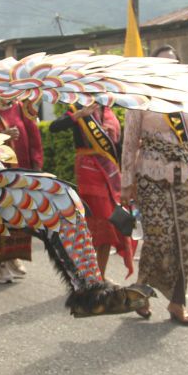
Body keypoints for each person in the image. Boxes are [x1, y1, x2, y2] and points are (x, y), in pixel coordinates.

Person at [121, 44, 188, 326]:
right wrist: (127, 182)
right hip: (151, 176)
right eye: (162, 63)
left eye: (173, 63)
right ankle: (141, 293)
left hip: (186, 177)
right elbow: (129, 142)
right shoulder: (141, 97)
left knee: (184, 241)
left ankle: (177, 303)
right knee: (158, 238)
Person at [49, 101, 136, 280]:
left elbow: (115, 147)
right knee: (99, 225)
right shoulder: (77, 108)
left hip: (111, 175)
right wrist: (78, 115)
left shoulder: (110, 113)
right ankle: (90, 274)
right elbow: (54, 127)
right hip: (89, 173)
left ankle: (99, 275)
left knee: (111, 224)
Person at [0, 96, 43, 283]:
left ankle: (14, 257)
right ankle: (1, 265)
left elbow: (34, 139)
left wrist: (37, 166)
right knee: (0, 220)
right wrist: (2, 136)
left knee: (19, 219)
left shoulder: (21, 108)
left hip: (21, 174)